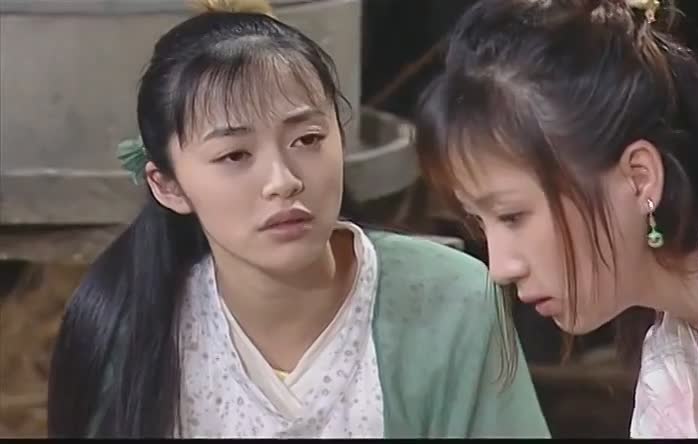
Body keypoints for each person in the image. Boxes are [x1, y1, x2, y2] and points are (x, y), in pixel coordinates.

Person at [45, 0, 549, 438]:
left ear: (341, 140)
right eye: (234, 155)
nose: (282, 180)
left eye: (307, 139)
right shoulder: (129, 328)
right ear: (168, 186)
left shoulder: (451, 300)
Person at [413, 0, 698, 438]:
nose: (500, 267)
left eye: (512, 216)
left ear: (639, 179)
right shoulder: (674, 344)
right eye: (481, 223)